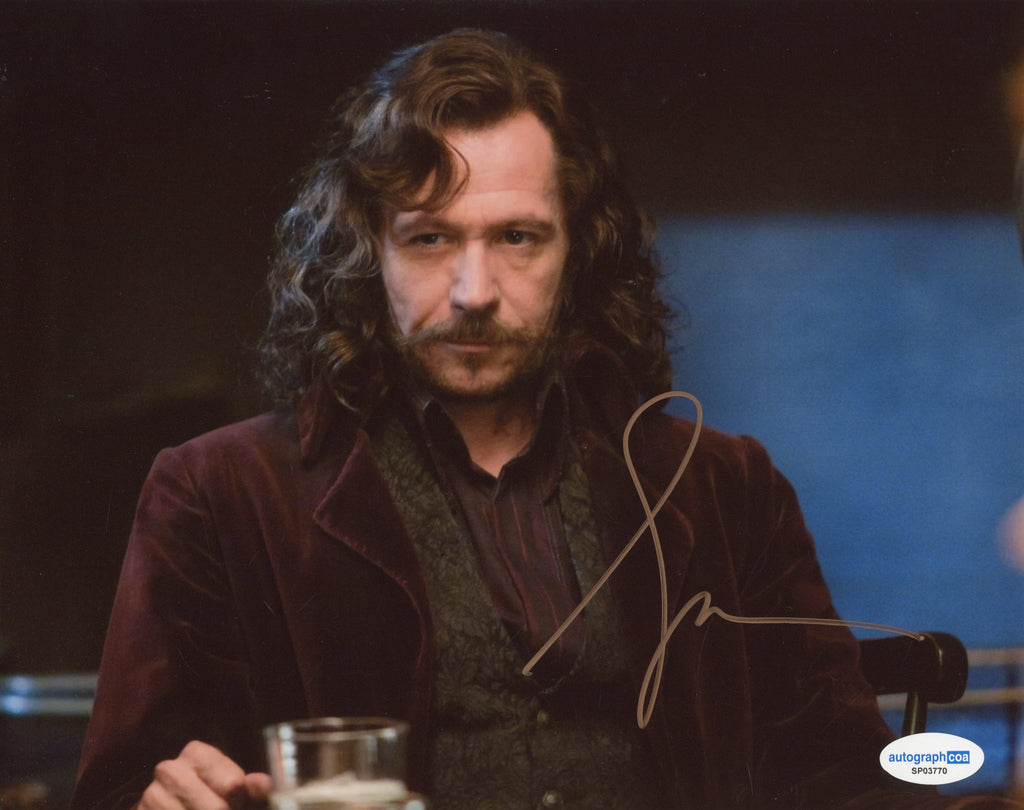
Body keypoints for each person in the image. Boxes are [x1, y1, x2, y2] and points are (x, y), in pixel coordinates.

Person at [71, 29, 1011, 810]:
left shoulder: (724, 488)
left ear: (578, 251)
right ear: (368, 253)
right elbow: (122, 790)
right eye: (429, 238)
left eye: (517, 237)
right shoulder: (218, 492)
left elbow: (839, 768)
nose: (473, 290)